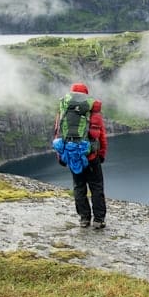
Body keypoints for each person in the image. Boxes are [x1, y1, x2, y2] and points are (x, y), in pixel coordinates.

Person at [54, 82, 108, 228]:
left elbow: (58, 132)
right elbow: (101, 135)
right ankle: (98, 220)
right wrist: (101, 153)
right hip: (90, 155)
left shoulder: (64, 108)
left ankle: (84, 219)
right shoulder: (90, 109)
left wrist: (61, 154)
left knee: (79, 187)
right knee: (96, 187)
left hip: (73, 155)